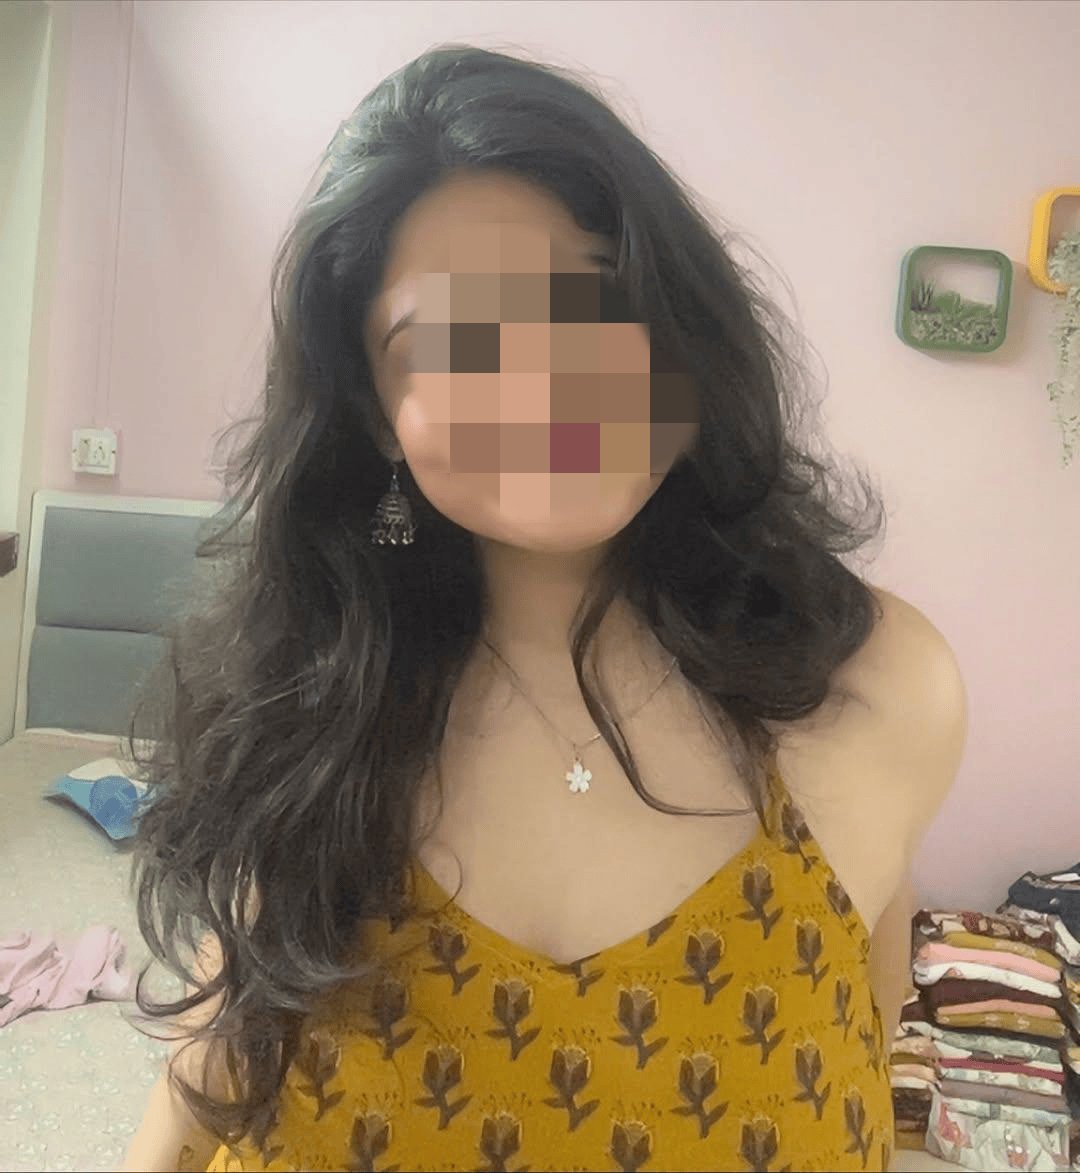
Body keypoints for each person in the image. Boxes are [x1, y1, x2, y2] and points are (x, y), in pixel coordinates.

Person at [117, 43, 967, 1173]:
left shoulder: (880, 686)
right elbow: (215, 1057)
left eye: (594, 295)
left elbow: (872, 1023)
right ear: (376, 417)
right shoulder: (300, 706)